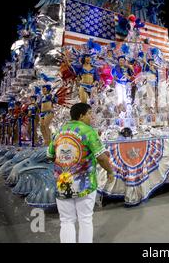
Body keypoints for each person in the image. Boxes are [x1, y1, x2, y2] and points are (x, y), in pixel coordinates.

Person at [47, 103, 114, 243]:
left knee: (66, 221)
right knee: (85, 219)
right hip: (85, 184)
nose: (91, 117)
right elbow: (101, 157)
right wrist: (110, 171)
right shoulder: (88, 131)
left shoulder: (60, 131)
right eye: (89, 113)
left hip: (63, 183)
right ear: (81, 116)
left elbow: (50, 154)